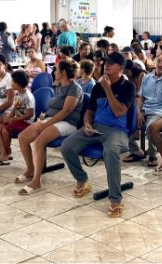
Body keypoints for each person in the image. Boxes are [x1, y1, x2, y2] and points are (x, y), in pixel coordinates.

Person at [61, 52, 136, 218]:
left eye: (111, 63)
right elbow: (90, 111)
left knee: (110, 151)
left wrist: (107, 88)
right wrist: (87, 124)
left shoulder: (128, 86)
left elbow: (119, 112)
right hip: (95, 128)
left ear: (120, 67)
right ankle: (82, 179)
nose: (106, 65)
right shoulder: (97, 87)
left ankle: (115, 200)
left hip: (117, 131)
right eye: (105, 62)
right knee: (66, 146)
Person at [16, 61, 83, 194]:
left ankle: (36, 181)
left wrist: (46, 124)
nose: (54, 72)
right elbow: (54, 107)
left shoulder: (74, 88)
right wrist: (44, 117)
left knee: (38, 142)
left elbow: (66, 111)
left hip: (68, 123)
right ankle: (30, 170)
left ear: (63, 72)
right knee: (23, 137)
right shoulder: (59, 86)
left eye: (57, 69)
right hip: (52, 119)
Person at [131, 54, 162, 168]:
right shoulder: (147, 78)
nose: (161, 64)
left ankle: (152, 155)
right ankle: (136, 151)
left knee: (150, 125)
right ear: (155, 62)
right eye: (159, 61)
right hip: (145, 109)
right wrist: (138, 111)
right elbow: (141, 97)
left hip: (161, 111)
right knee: (125, 122)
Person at [0, 70, 35, 163]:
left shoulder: (27, 96)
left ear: (17, 84)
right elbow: (15, 108)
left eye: (12, 81)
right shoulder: (17, 93)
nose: (11, 83)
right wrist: (9, 118)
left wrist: (14, 119)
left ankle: (7, 152)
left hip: (27, 122)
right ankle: (3, 152)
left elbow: (30, 114)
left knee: (5, 130)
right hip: (17, 120)